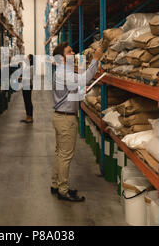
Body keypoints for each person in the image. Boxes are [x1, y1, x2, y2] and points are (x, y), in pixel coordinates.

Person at [50, 42, 103, 202]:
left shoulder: (62, 72)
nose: (73, 53)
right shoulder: (64, 73)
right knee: (66, 156)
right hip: (66, 119)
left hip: (60, 117)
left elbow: (72, 90)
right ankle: (63, 191)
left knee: (60, 154)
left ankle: (56, 184)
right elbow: (85, 78)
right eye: (69, 52)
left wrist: (80, 90)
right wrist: (95, 59)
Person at [20, 54, 34, 124]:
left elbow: (30, 78)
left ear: (30, 59)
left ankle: (30, 117)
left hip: (28, 85)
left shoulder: (31, 67)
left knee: (28, 100)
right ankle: (27, 116)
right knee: (26, 101)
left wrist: (21, 78)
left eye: (27, 57)